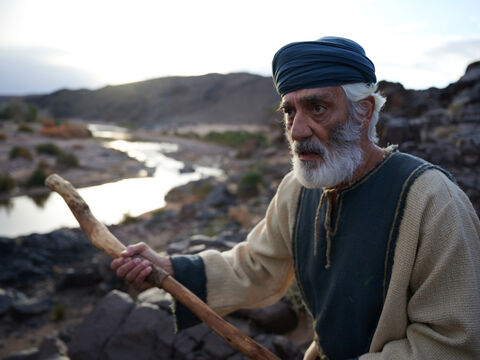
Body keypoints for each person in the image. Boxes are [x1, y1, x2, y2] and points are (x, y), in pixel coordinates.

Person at [111, 36, 480, 359]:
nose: (298, 130)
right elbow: (256, 265)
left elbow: (453, 343)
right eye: (290, 111)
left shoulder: (433, 201)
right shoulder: (298, 188)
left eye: (317, 107)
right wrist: (170, 269)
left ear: (363, 110)